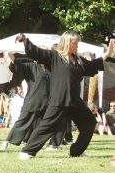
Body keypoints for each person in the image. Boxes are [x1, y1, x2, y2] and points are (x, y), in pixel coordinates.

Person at [15, 32, 115, 160]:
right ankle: (27, 151)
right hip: (59, 100)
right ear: (67, 42)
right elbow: (36, 52)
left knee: (90, 123)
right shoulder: (54, 56)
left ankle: (76, 151)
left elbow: (92, 66)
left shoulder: (78, 60)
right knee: (46, 127)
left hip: (74, 101)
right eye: (75, 42)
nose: (77, 45)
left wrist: (108, 52)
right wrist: (24, 39)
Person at [1, 54, 50, 151]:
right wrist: (11, 57)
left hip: (45, 102)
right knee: (22, 121)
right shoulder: (31, 67)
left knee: (42, 124)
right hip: (32, 100)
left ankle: (36, 143)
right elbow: (18, 66)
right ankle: (6, 142)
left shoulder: (49, 69)